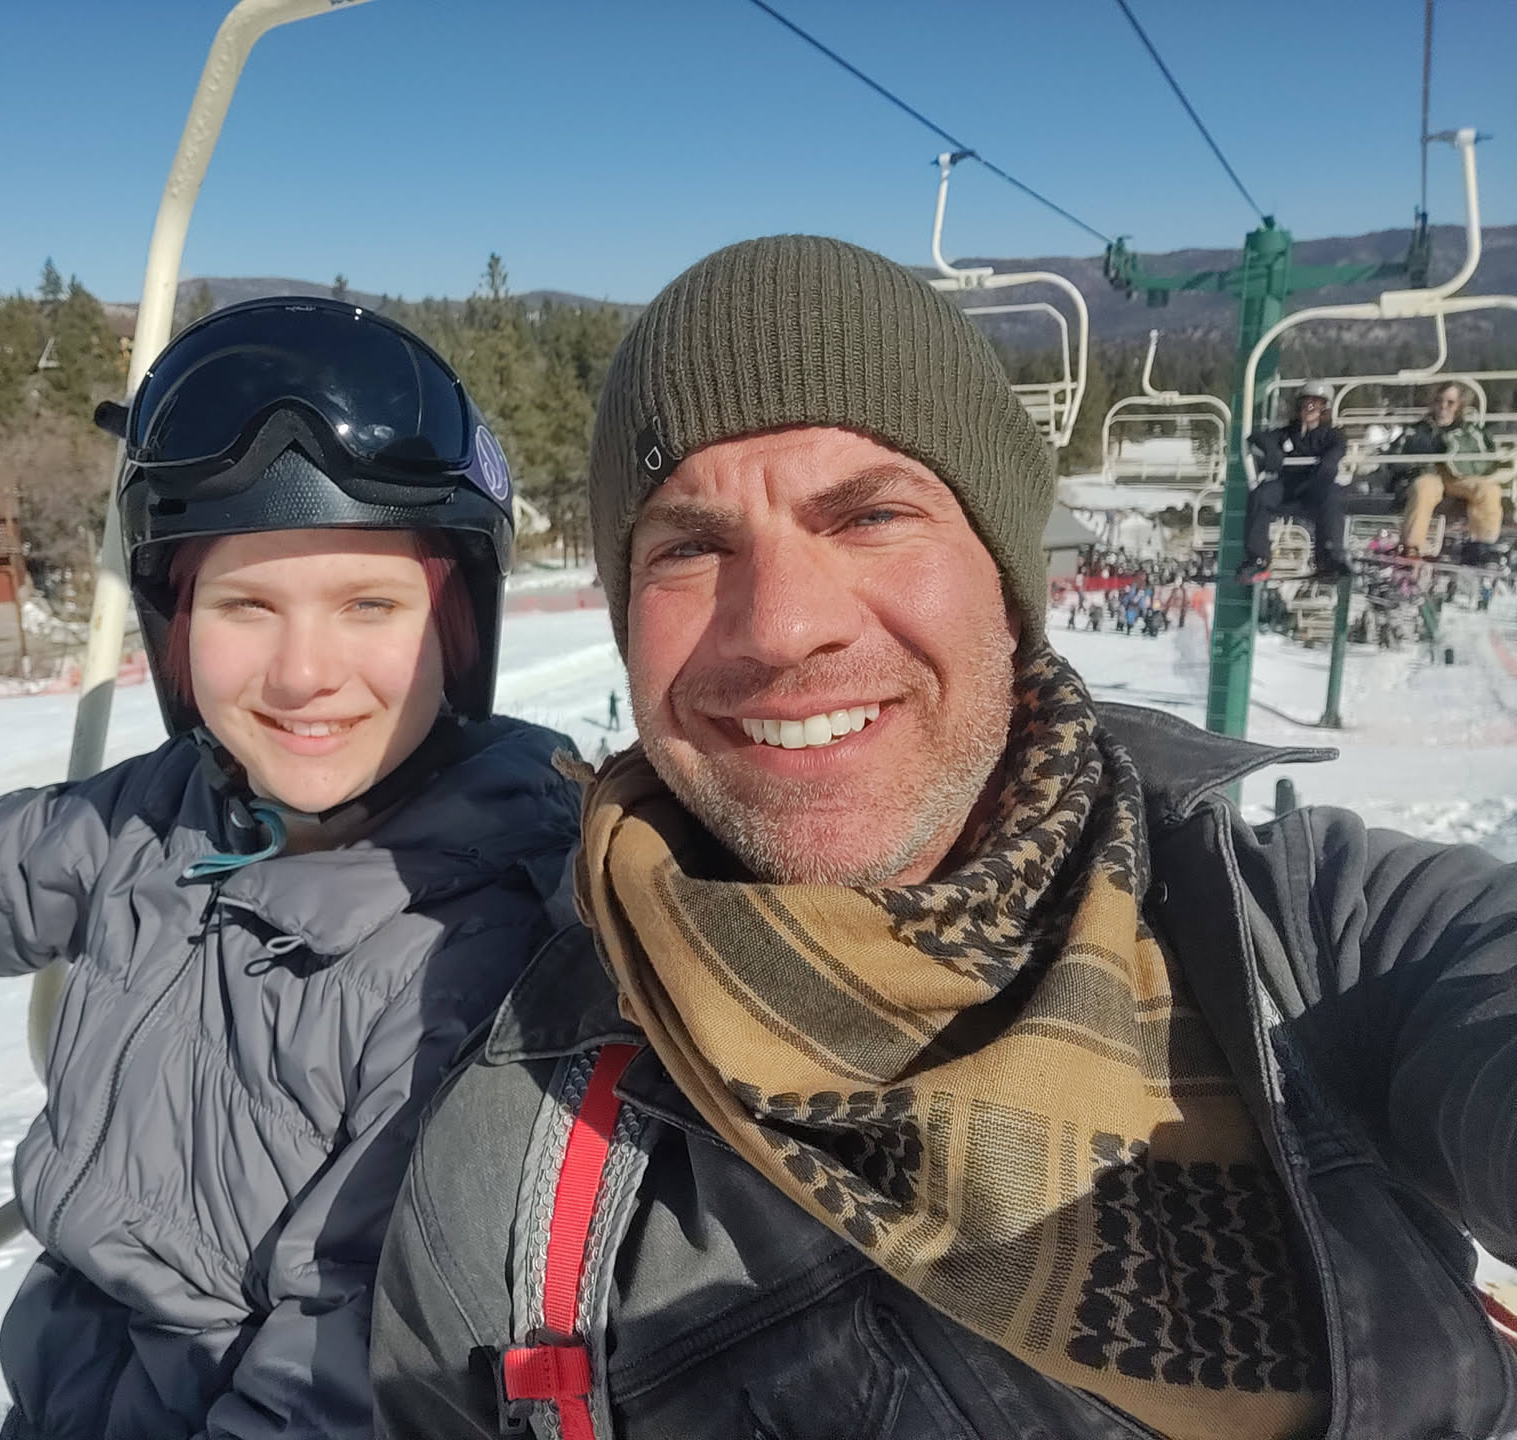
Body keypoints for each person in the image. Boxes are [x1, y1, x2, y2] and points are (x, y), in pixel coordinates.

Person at [369, 237, 1517, 1440]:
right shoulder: (515, 1173)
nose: (781, 626)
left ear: (1009, 585)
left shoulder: (1309, 940)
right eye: (691, 547)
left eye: (871, 515)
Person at [0, 299, 581, 1440]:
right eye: (245, 604)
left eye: (370, 604)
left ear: (456, 632)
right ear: (175, 631)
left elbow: (341, 1374)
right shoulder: (161, 818)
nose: (303, 673)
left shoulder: (487, 952)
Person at [1238, 381, 1350, 584]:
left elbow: (1338, 447)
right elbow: (1257, 436)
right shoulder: (1288, 433)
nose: (1309, 408)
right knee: (1260, 495)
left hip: (1316, 487)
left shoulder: (1330, 435)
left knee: (1333, 496)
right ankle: (1257, 557)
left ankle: (1329, 557)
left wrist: (1329, 462)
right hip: (1288, 486)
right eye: (1305, 403)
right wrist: (1271, 449)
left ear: (1324, 408)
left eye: (1315, 403)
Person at [1390, 381, 1507, 565]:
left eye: (1450, 402)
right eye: (1439, 401)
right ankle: (1411, 547)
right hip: (1429, 474)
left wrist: (1463, 462)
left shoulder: (1469, 432)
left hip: (1458, 476)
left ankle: (1482, 546)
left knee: (1488, 489)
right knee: (1424, 489)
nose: (1443, 406)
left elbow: (1485, 459)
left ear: (1459, 405)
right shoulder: (1418, 430)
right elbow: (1398, 457)